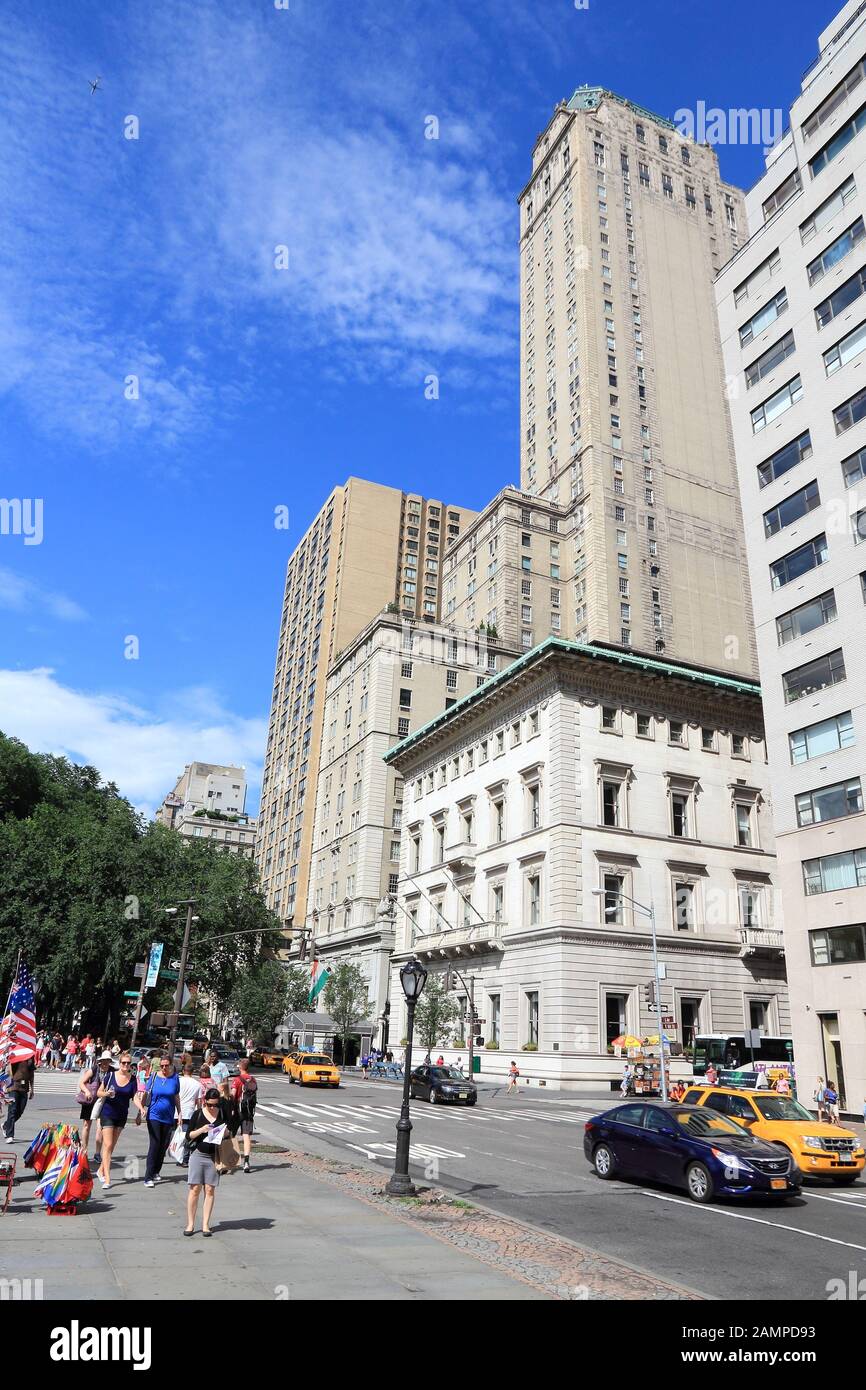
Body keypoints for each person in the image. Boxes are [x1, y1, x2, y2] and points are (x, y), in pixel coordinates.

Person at [96, 1050, 141, 1190]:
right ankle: (107, 1178)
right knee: (108, 1144)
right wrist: (107, 1093)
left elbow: (135, 1097)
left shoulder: (133, 1079)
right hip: (108, 1113)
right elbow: (98, 1092)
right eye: (123, 1063)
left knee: (111, 1146)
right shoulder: (110, 1076)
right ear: (119, 1063)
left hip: (122, 1115)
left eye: (128, 1063)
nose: (126, 1065)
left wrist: (141, 1108)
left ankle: (100, 1170)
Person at [184, 1087, 225, 1236]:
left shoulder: (221, 1113)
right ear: (205, 1102)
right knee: (195, 1189)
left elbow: (229, 1132)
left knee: (210, 1189)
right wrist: (202, 1129)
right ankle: (190, 1224)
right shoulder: (198, 1114)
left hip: (214, 1156)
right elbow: (189, 1136)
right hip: (198, 1155)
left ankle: (206, 1224)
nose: (213, 1107)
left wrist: (225, 1132)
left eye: (216, 1104)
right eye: (210, 1105)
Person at [143, 1055, 182, 1187]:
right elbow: (145, 1094)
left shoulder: (175, 1078)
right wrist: (140, 1111)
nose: (164, 1068)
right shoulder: (154, 1077)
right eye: (162, 1065)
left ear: (171, 1065)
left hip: (168, 1116)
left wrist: (180, 1113)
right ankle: (148, 1177)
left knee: (163, 1145)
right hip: (153, 1115)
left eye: (167, 1065)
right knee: (155, 1144)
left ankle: (155, 1171)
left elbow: (176, 1096)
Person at [77, 1051, 115, 1155]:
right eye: (103, 1061)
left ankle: (97, 1153)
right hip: (90, 1100)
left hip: (103, 1101)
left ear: (110, 1061)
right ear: (100, 1061)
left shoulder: (112, 1072)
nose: (105, 1063)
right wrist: (87, 1091)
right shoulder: (94, 1069)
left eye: (107, 1061)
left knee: (100, 1127)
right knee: (86, 1125)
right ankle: (84, 1150)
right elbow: (81, 1082)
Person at [231, 1059, 257, 1174]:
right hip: (248, 1111)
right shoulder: (253, 1079)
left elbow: (233, 1095)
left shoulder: (237, 1080)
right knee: (246, 1136)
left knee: (231, 1135)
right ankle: (246, 1162)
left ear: (240, 1067)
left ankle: (230, 1161)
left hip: (237, 1110)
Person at [2, 1055, 35, 1141]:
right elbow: (7, 1070)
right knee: (12, 1110)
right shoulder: (14, 1054)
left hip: (24, 1087)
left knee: (20, 1111)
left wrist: (32, 1089)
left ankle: (6, 1125)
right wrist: (5, 1084)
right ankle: (10, 1135)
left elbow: (31, 1074)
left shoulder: (30, 1056)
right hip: (13, 1087)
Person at [178, 1059, 200, 1166]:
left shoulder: (178, 1081)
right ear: (192, 1072)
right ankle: (185, 1158)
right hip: (189, 1112)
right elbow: (199, 1101)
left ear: (183, 1071)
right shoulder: (197, 1084)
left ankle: (177, 1155)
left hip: (176, 1111)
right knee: (187, 1136)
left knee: (175, 1135)